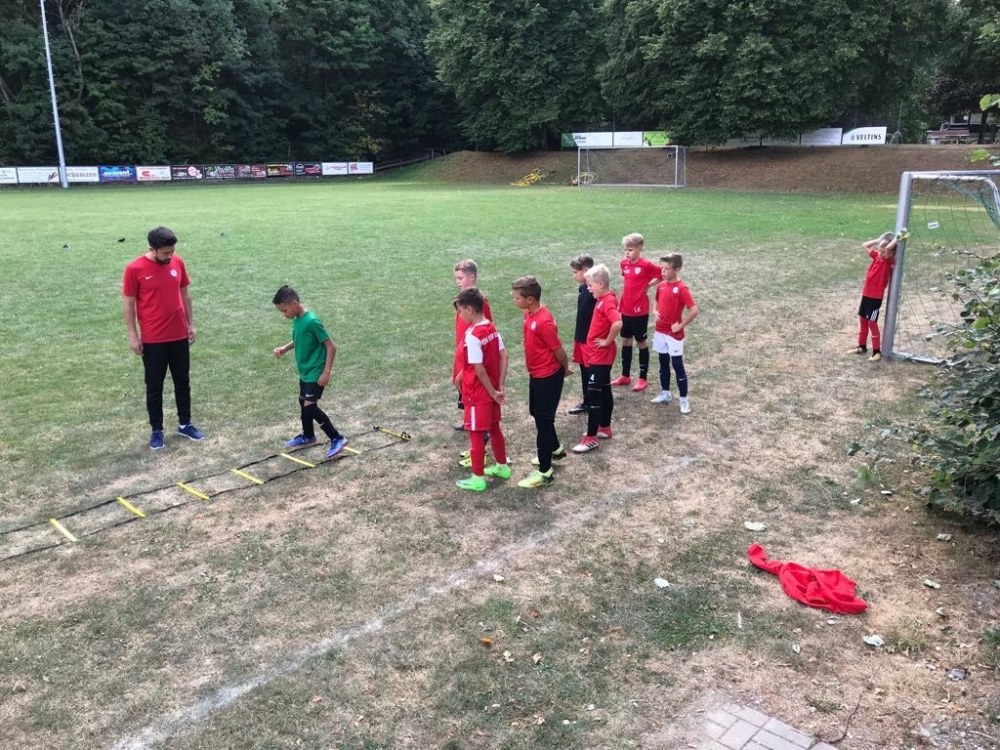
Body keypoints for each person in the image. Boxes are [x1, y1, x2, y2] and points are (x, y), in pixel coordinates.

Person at [122, 226, 204, 450]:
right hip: (153, 339)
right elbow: (128, 304)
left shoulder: (178, 262)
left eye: (172, 251)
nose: (170, 256)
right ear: (152, 249)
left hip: (178, 335)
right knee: (154, 386)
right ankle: (157, 430)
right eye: (166, 253)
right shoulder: (134, 269)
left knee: (182, 382)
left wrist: (191, 324)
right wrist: (133, 335)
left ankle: (185, 424)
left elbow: (185, 295)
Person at [271, 286, 348, 459]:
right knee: (303, 401)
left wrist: (326, 372)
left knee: (310, 406)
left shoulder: (312, 321)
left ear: (295, 303)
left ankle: (337, 438)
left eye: (284, 310)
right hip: (305, 371)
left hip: (316, 372)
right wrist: (284, 348)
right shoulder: (297, 320)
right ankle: (308, 435)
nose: (284, 315)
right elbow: (299, 338)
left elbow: (331, 346)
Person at [511, 276, 572, 488]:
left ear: (529, 299)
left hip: (548, 376)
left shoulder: (543, 321)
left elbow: (559, 350)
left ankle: (545, 472)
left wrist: (565, 368)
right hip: (536, 373)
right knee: (536, 413)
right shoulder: (528, 314)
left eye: (517, 297)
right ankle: (555, 450)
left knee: (543, 422)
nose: (514, 300)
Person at [455, 287, 510, 491]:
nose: (460, 315)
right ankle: (502, 467)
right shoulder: (491, 328)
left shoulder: (472, 335)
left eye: (460, 311)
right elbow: (504, 356)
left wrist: (492, 392)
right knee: (494, 427)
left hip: (477, 394)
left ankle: (477, 478)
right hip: (492, 390)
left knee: (476, 433)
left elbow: (479, 369)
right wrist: (499, 386)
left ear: (469, 309)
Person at [573, 264, 623, 453]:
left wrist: (607, 341)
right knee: (605, 390)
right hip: (597, 355)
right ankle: (605, 427)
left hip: (601, 356)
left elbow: (617, 322)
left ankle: (591, 438)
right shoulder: (602, 299)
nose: (588, 288)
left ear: (601, 284)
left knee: (594, 394)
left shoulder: (607, 301)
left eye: (590, 285)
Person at [611, 233, 663, 391]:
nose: (627, 252)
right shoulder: (624, 264)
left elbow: (662, 274)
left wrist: (649, 285)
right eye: (626, 249)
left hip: (639, 311)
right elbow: (628, 280)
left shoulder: (646, 265)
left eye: (631, 249)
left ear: (640, 249)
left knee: (641, 342)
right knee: (626, 341)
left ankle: (642, 378)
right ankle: (625, 375)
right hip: (625, 308)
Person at [650, 254, 699, 414]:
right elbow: (657, 301)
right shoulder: (661, 286)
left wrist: (680, 325)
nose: (663, 272)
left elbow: (694, 310)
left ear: (677, 269)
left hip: (673, 334)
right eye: (662, 268)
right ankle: (665, 393)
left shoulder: (682, 289)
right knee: (663, 362)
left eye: (667, 269)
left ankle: (684, 401)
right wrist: (655, 311)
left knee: (677, 365)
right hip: (660, 331)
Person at [453, 259, 492, 431]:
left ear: (472, 277)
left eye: (460, 278)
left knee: (472, 387)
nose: (457, 282)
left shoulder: (480, 303)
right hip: (463, 353)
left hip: (473, 356)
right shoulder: (461, 301)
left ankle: (478, 422)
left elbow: (486, 330)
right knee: (463, 388)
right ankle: (468, 418)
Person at [851, 231, 899, 362]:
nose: (881, 253)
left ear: (892, 253)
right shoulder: (877, 257)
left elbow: (888, 248)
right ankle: (862, 347)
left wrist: (898, 238)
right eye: (880, 251)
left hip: (875, 298)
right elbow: (864, 245)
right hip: (866, 294)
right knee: (863, 320)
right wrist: (878, 240)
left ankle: (877, 352)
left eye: (884, 252)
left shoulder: (887, 261)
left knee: (872, 322)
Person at [568, 254, 596, 415]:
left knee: (590, 371)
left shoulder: (594, 292)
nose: (574, 276)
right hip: (580, 337)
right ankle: (587, 400)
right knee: (584, 370)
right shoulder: (583, 288)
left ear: (585, 270)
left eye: (575, 272)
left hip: (588, 339)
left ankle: (592, 402)